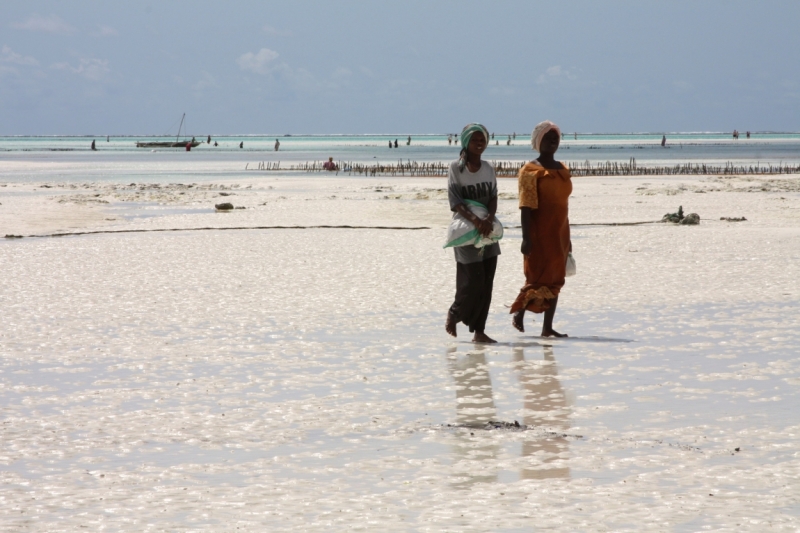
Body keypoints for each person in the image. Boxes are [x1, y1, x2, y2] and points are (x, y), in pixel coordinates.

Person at [510, 120, 572, 337]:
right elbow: (525, 206)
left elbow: (564, 206)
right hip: (539, 233)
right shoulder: (530, 171)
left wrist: (568, 238)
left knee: (556, 278)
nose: (553, 140)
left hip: (560, 232)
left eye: (555, 137)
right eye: (548, 137)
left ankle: (547, 328)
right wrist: (526, 238)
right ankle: (520, 311)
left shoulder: (563, 169)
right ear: (538, 141)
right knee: (537, 277)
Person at [445, 123, 500, 344]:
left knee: (487, 281)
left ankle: (479, 331)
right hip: (467, 230)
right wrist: (475, 220)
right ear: (466, 142)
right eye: (475, 140)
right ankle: (455, 313)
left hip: (488, 230)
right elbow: (455, 201)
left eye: (483, 140)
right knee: (471, 281)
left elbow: (494, 196)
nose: (480, 144)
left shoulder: (489, 168)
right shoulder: (455, 169)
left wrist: (488, 219)